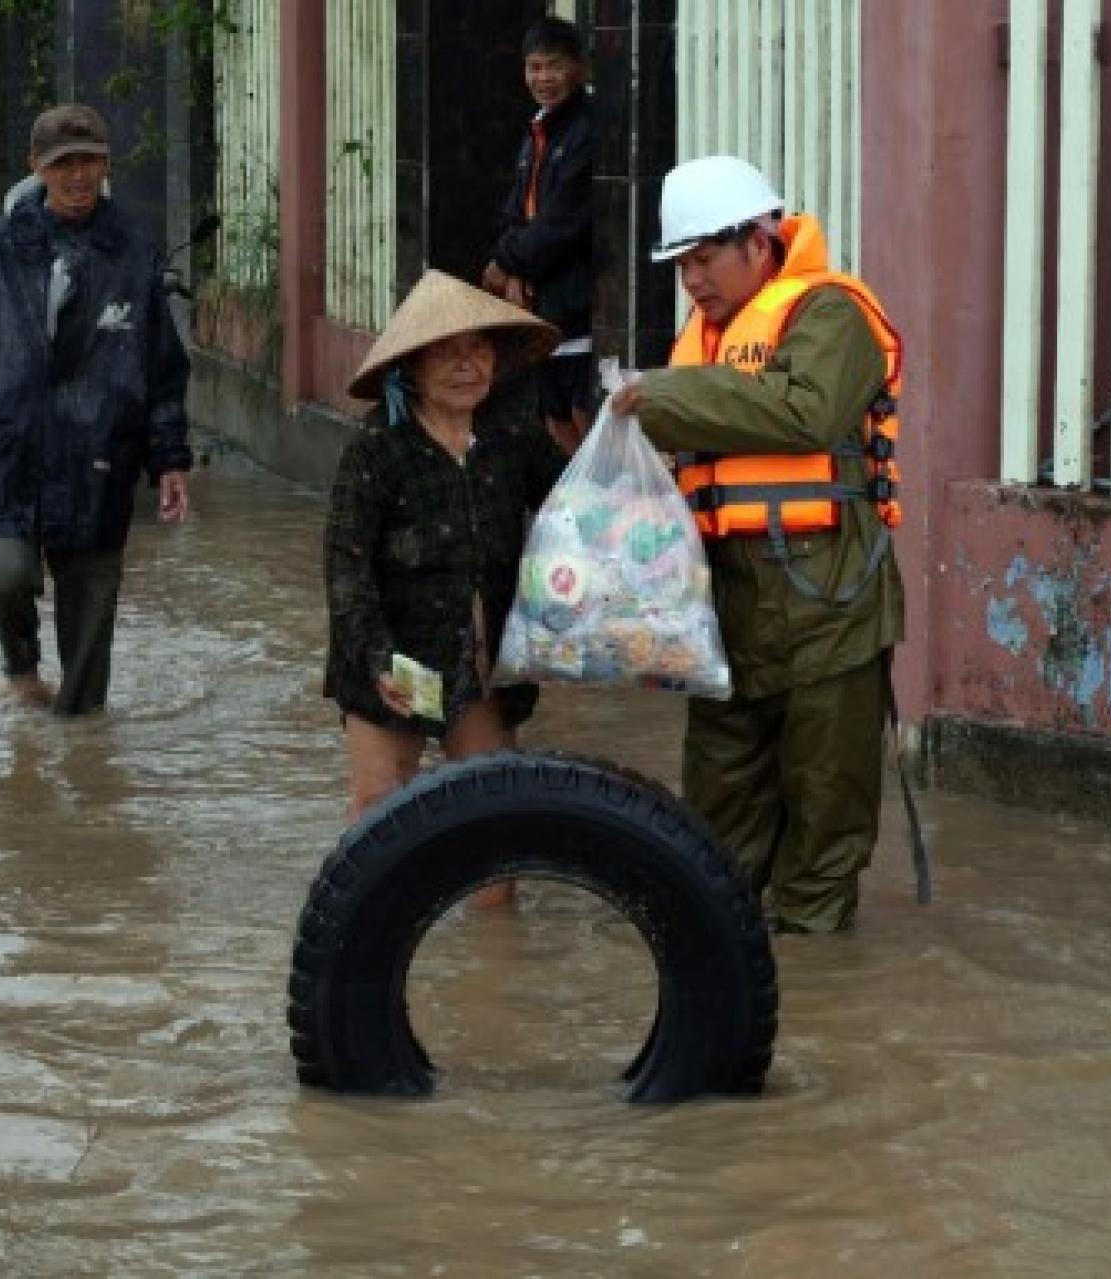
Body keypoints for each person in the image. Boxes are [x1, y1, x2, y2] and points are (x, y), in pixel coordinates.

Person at [608, 156, 905, 934]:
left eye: (704, 259)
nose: (692, 280)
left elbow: (804, 412)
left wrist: (661, 397)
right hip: (728, 609)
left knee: (823, 825)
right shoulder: (699, 341)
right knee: (715, 829)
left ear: (760, 239)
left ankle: (815, 1000)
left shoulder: (831, 312)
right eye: (682, 265)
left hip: (827, 606)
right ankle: (723, 981)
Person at [0, 103, 193, 717]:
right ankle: (21, 668)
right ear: (36, 168)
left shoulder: (129, 251)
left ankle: (84, 760)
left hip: (99, 456)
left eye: (89, 162)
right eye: (63, 164)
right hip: (10, 451)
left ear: (106, 164)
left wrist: (170, 458)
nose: (78, 177)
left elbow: (161, 364)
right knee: (5, 575)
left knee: (90, 631)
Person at [324, 270, 564, 881]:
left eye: (478, 350)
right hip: (399, 655)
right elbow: (346, 568)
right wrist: (377, 660)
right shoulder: (379, 449)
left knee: (491, 817)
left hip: (483, 661)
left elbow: (572, 508)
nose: (466, 366)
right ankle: (360, 935)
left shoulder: (513, 438)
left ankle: (493, 950)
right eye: (447, 353)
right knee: (381, 811)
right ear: (412, 366)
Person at [480, 15, 596, 454]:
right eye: (534, 67)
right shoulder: (538, 131)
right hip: (540, 299)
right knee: (554, 414)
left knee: (580, 410)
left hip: (574, 297)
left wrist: (507, 261)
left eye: (554, 66)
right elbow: (517, 209)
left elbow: (565, 223)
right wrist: (508, 264)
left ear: (580, 69)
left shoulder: (586, 131)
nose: (543, 78)